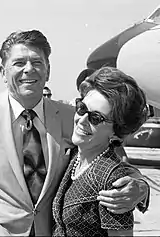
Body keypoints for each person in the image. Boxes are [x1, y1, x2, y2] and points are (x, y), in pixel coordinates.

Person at [0, 30, 149, 236]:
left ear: (48, 71)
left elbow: (117, 160)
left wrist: (139, 187)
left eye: (37, 62)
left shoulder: (75, 116)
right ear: (3, 71)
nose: (29, 69)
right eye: (19, 63)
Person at [52, 66, 148, 236]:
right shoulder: (76, 156)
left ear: (116, 131)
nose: (81, 120)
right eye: (81, 108)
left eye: (96, 118)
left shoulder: (114, 184)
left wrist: (140, 186)